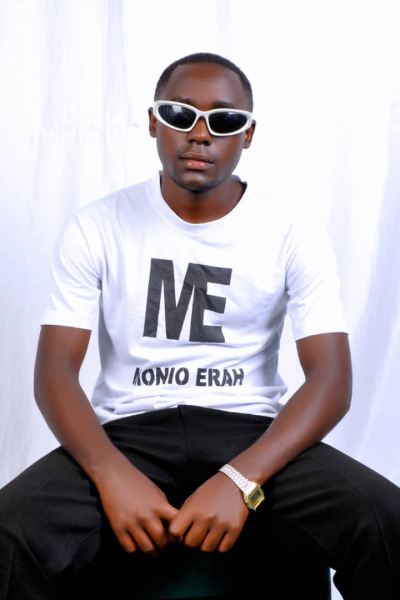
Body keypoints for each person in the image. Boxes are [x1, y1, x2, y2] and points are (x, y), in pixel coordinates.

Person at [0, 52, 399, 600]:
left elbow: (331, 382)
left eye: (225, 120)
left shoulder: (291, 230)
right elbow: (54, 374)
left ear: (248, 134)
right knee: (8, 533)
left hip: (250, 432)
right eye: (180, 114)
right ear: (153, 122)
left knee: (384, 521)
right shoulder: (97, 225)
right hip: (130, 432)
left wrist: (241, 480)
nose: (200, 134)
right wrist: (112, 475)